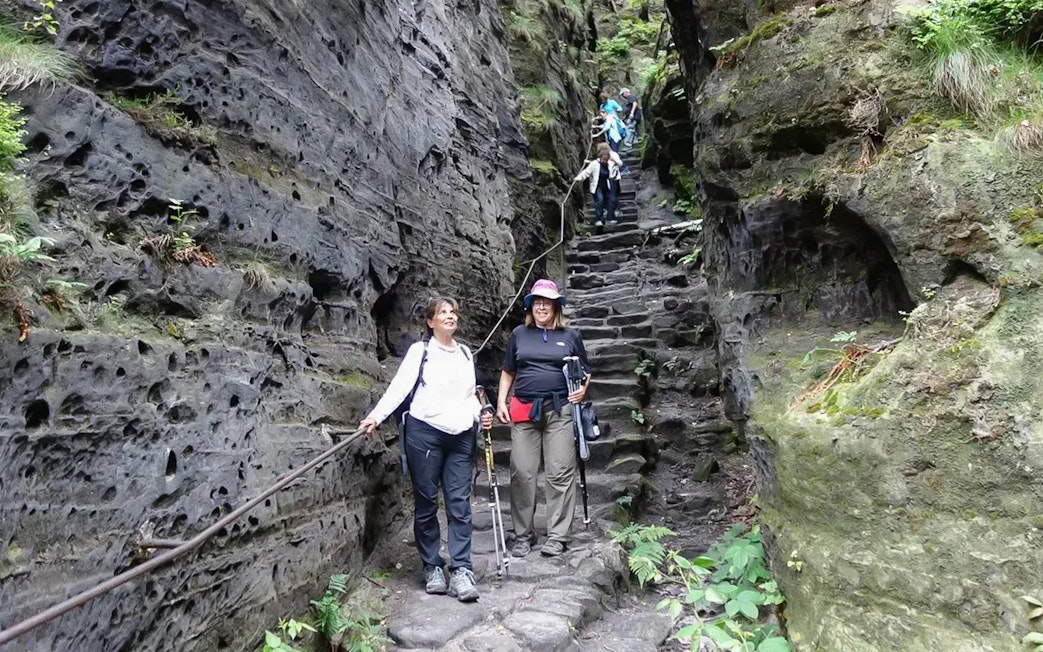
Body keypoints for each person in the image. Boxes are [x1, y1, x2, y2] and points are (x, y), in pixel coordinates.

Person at [360, 296, 493, 602]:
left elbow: (468, 396)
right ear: (430, 322)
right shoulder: (420, 352)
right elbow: (400, 387)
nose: (450, 316)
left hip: (460, 436)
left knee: (459, 504)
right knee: (426, 502)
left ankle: (461, 569)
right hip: (424, 434)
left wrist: (480, 413)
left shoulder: (464, 353)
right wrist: (376, 417)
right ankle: (432, 566)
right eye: (442, 312)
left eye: (453, 312)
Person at [496, 279, 591, 558]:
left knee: (560, 471)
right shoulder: (519, 334)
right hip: (524, 409)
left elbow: (585, 371)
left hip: (559, 410)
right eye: (537, 301)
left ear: (555, 306)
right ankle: (523, 535)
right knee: (522, 473)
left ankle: (558, 535)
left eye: (546, 302)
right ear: (530, 306)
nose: (541, 306)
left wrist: (582, 391)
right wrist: (501, 401)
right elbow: (508, 370)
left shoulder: (570, 336)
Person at [574, 148, 621, 232]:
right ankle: (598, 220)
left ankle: (610, 218)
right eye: (604, 159)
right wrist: (578, 178)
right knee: (600, 200)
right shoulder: (594, 164)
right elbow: (586, 172)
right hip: (597, 186)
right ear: (600, 157)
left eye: (606, 159)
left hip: (606, 186)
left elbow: (613, 172)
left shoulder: (610, 164)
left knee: (611, 200)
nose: (605, 161)